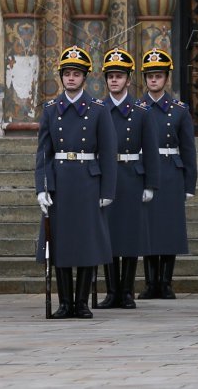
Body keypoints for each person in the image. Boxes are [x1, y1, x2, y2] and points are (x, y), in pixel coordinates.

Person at [35, 46, 117, 319]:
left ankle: (81, 302)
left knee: (86, 243)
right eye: (67, 73)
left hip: (87, 181)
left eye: (76, 74)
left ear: (85, 78)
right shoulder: (50, 110)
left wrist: (107, 190)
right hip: (60, 180)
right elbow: (44, 153)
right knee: (59, 244)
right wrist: (42, 187)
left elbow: (107, 152)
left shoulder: (98, 109)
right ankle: (64, 302)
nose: (71, 78)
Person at [95, 47, 159, 309]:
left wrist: (150, 184)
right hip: (108, 176)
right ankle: (112, 291)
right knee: (108, 235)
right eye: (110, 76)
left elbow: (151, 149)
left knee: (130, 235)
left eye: (119, 76)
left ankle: (128, 290)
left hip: (132, 175)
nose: (114, 80)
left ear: (128, 80)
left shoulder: (142, 111)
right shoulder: (98, 109)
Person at [138, 48, 197, 299]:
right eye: (150, 76)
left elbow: (188, 148)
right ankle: (150, 282)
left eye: (158, 75)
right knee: (148, 227)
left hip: (171, 171)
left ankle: (166, 281)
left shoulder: (179, 109)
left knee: (169, 228)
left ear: (166, 78)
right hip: (145, 171)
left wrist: (189, 183)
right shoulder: (137, 107)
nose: (154, 80)